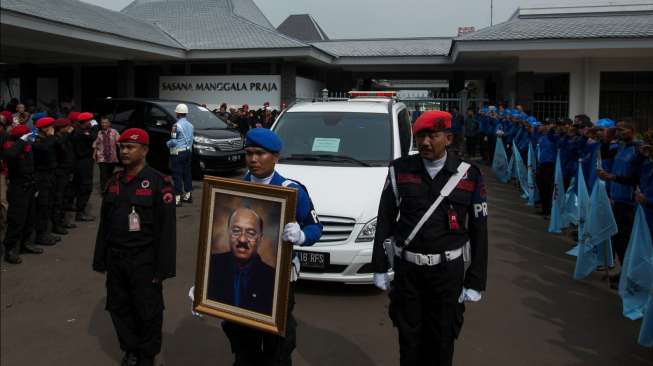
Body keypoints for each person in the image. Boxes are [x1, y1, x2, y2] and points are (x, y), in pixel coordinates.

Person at [372, 111, 488, 366]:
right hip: (409, 272)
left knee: (442, 340)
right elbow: (385, 219)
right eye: (420, 136)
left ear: (448, 138)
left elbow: (480, 230)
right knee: (409, 339)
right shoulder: (400, 169)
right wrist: (379, 266)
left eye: (432, 136)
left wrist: (476, 280)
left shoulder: (469, 175)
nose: (425, 142)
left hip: (448, 274)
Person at [219, 128, 322, 366]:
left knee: (278, 344)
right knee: (242, 342)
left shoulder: (293, 190)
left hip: (278, 281)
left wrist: (301, 236)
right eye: (249, 153)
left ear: (275, 157)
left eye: (260, 154)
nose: (253, 160)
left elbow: (316, 228)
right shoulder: (232, 189)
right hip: (242, 280)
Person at [92, 128, 176, 366]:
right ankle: (130, 350)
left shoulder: (160, 184)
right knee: (119, 307)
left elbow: (167, 231)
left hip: (144, 260)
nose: (124, 151)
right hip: (117, 258)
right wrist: (101, 259)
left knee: (148, 310)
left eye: (130, 147)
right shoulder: (114, 182)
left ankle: (147, 355)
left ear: (145, 150)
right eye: (122, 147)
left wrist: (163, 270)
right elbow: (104, 225)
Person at [207, 207, 275, 315]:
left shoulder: (273, 279)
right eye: (236, 231)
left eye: (251, 233)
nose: (242, 239)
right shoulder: (210, 265)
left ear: (260, 238)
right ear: (228, 233)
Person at [2, 124, 44, 263]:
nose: (31, 138)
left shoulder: (27, 147)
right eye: (28, 136)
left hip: (30, 186)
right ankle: (10, 250)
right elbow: (10, 155)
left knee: (30, 217)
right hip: (17, 188)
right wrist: (22, 140)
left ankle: (26, 244)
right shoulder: (11, 146)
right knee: (16, 220)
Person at [32, 117, 61, 245]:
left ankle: (46, 232)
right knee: (43, 206)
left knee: (49, 204)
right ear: (44, 128)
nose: (52, 129)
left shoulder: (48, 139)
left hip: (51, 175)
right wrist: (51, 137)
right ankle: (40, 235)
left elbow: (59, 148)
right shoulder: (36, 140)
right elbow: (44, 149)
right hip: (41, 176)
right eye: (50, 127)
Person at [70, 112, 98, 221]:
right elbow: (93, 137)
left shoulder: (78, 130)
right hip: (83, 162)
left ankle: (76, 207)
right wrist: (95, 127)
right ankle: (80, 212)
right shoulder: (80, 133)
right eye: (90, 121)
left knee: (78, 185)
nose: (91, 123)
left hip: (80, 162)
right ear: (85, 122)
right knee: (85, 186)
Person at [166, 104, 194, 206]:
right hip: (188, 152)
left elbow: (173, 142)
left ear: (177, 113)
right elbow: (191, 140)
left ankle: (177, 199)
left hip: (178, 153)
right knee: (187, 173)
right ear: (186, 113)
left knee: (177, 175)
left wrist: (167, 144)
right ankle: (188, 195)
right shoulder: (191, 125)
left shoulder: (175, 126)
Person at [52, 118, 76, 232]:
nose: (69, 128)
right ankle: (56, 225)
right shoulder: (57, 139)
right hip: (59, 173)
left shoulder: (65, 138)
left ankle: (62, 221)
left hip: (66, 172)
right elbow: (61, 150)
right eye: (66, 127)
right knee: (59, 199)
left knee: (65, 198)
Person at [93, 116, 120, 191]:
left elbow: (119, 143)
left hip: (112, 157)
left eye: (105, 122)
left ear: (109, 123)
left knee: (109, 174)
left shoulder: (114, 132)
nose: (103, 124)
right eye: (102, 122)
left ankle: (108, 189)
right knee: (103, 175)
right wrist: (94, 154)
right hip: (101, 157)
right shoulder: (99, 133)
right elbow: (96, 144)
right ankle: (103, 190)